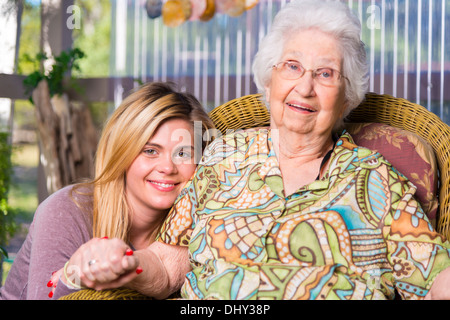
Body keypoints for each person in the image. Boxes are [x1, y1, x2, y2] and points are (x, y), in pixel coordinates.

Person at [155, 0, 450, 299]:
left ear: (347, 98)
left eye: (325, 73)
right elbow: (168, 266)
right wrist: (126, 263)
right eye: (292, 66)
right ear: (270, 82)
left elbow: (434, 277)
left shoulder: (376, 179)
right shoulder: (222, 156)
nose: (305, 87)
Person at [0, 81, 214, 300]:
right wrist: (72, 278)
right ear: (122, 152)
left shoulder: (202, 223)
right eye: (150, 151)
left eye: (183, 154)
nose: (167, 168)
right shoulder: (64, 211)